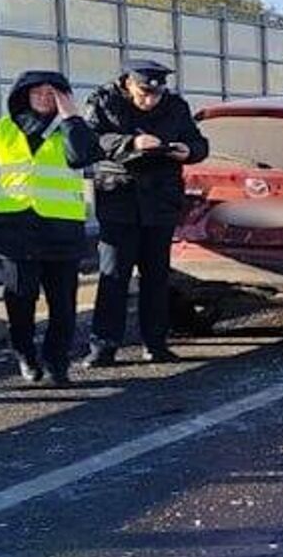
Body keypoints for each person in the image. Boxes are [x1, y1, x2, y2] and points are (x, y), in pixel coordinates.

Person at [0, 71, 101, 385]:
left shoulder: (72, 128)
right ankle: (24, 353)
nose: (44, 99)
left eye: (53, 94)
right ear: (23, 95)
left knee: (63, 305)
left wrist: (70, 118)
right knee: (20, 299)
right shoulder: (2, 130)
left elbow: (82, 158)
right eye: (38, 93)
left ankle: (57, 363)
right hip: (15, 230)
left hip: (61, 230)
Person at [82, 59, 208, 366]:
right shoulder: (104, 101)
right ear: (127, 83)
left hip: (160, 200)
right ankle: (103, 346)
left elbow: (199, 143)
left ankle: (155, 343)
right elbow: (91, 139)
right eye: (144, 92)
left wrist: (188, 151)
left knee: (156, 277)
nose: (150, 99)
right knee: (114, 275)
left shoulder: (175, 106)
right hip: (119, 197)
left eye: (156, 93)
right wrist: (131, 143)